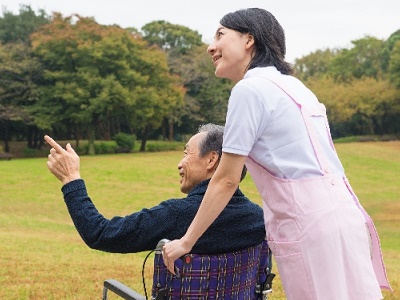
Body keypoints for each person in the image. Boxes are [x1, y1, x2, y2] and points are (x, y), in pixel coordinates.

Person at [162, 8, 392, 300]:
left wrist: (186, 241)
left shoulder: (249, 90)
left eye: (220, 35)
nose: (211, 45)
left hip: (309, 224)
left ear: (248, 39)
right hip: (345, 215)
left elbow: (226, 180)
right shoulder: (296, 87)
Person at [44, 123, 266, 255]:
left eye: (187, 153)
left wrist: (71, 178)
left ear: (211, 160)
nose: (180, 163)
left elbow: (100, 234)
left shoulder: (177, 215)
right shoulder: (258, 218)